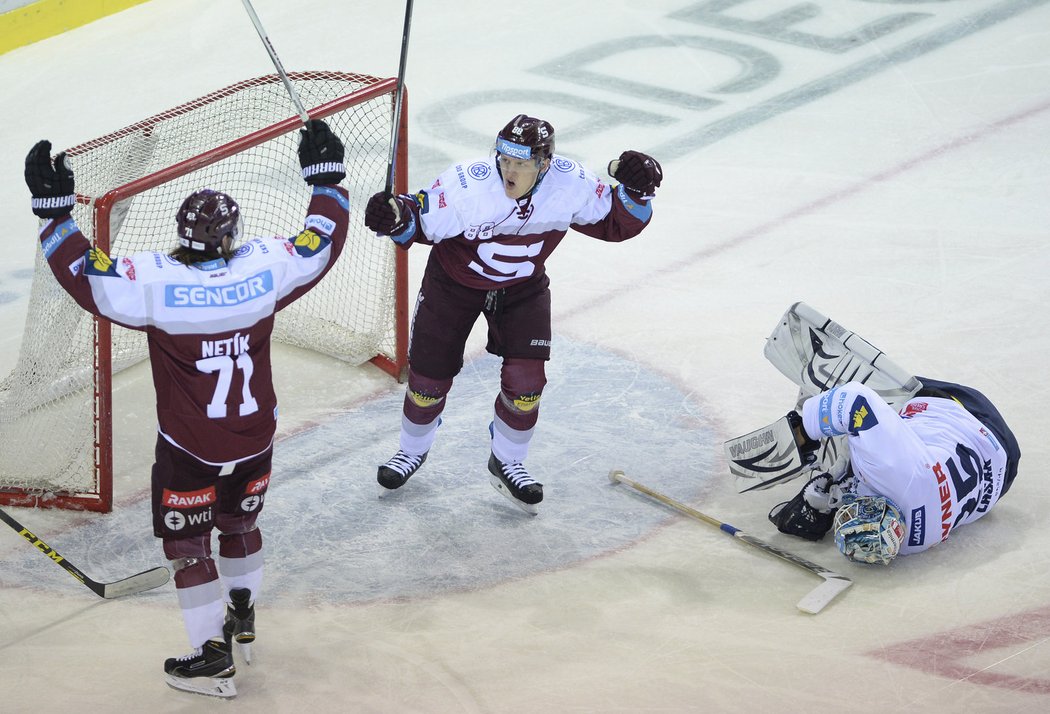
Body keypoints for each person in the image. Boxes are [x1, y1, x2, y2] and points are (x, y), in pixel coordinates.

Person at [23, 119, 348, 698]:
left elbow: (83, 276)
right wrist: (327, 181)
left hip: (189, 449)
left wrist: (54, 215)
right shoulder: (264, 268)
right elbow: (321, 241)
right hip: (255, 437)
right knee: (241, 522)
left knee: (186, 545)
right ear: (231, 235)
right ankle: (243, 616)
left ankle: (210, 654)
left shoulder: (154, 283)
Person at [363, 114, 662, 514]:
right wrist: (394, 215)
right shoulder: (468, 183)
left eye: (521, 163)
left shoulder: (569, 184)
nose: (509, 170)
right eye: (505, 159)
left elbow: (618, 223)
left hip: (522, 289)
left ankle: (508, 461)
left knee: (527, 384)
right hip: (453, 286)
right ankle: (409, 452)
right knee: (426, 383)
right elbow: (417, 219)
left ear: (544, 164)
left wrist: (637, 191)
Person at [770, 377, 1021, 565]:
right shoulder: (893, 471)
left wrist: (838, 491)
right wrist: (803, 432)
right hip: (971, 414)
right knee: (863, 391)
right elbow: (856, 400)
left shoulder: (911, 545)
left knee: (871, 447)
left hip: (1001, 478)